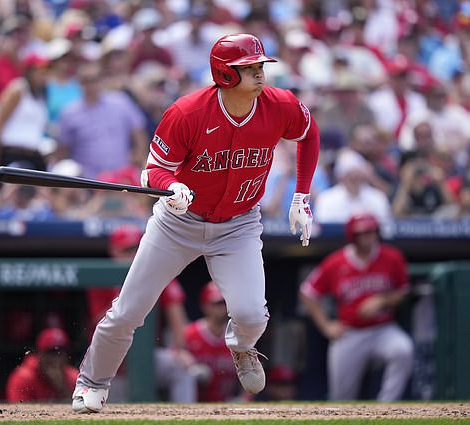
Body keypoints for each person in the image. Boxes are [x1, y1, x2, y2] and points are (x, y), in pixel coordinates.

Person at [71, 33, 319, 413]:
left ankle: (240, 345)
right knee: (129, 311)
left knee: (253, 316)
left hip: (238, 224)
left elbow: (308, 133)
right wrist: (173, 187)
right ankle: (91, 382)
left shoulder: (279, 104)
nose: (258, 73)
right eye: (247, 68)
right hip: (177, 225)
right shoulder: (187, 112)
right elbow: (153, 171)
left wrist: (301, 195)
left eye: (259, 66)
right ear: (225, 74)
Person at [299, 213, 414, 401]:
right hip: (350, 333)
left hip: (383, 329)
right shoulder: (337, 261)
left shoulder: (392, 257)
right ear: (353, 236)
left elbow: (403, 291)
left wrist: (382, 300)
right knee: (341, 398)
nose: (369, 237)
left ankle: (387, 406)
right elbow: (307, 292)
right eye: (363, 233)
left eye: (372, 231)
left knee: (403, 349)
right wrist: (326, 325)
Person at [87, 223, 199, 403]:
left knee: (182, 368)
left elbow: (177, 319)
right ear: (114, 252)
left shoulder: (157, 275)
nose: (134, 256)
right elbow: (97, 322)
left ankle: (185, 419)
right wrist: (126, 294)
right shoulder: (103, 279)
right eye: (128, 250)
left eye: (138, 249)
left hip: (148, 359)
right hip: (113, 364)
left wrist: (180, 349)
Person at [184, 281, 243, 402]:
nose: (221, 308)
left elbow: (250, 371)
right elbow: (175, 361)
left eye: (223, 303)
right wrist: (190, 368)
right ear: (205, 306)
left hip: (226, 402)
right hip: (193, 402)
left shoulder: (237, 336)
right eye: (216, 304)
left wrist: (243, 397)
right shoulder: (189, 334)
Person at [6, 327, 79, 402]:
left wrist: (62, 388)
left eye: (61, 351)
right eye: (51, 352)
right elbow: (19, 411)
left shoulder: (74, 377)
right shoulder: (23, 377)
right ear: (39, 353)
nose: (56, 357)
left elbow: (79, 410)